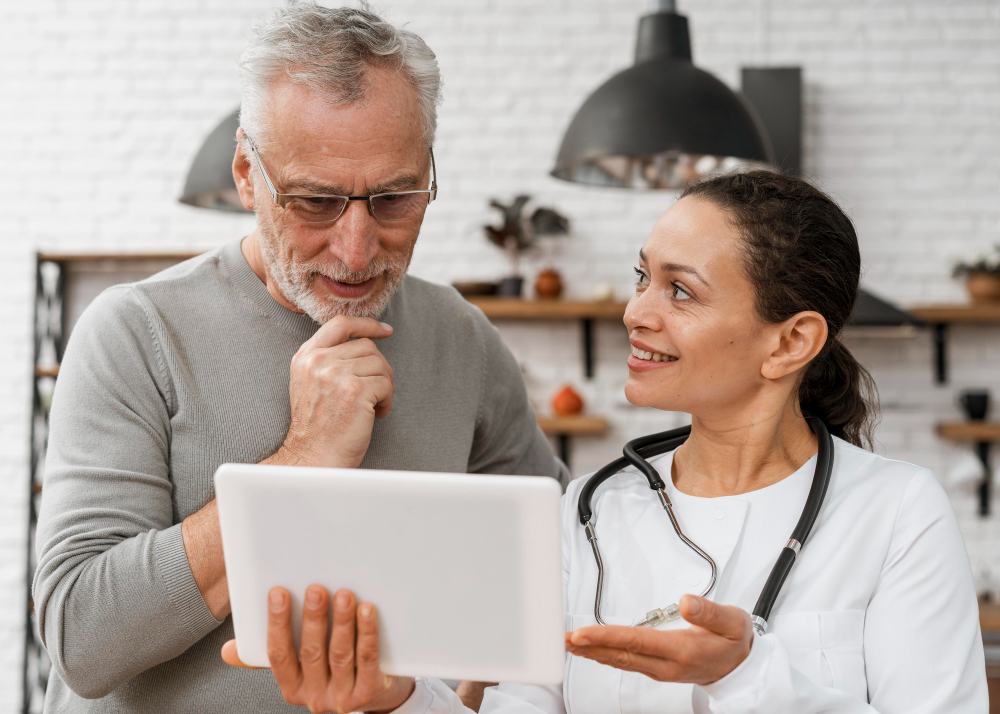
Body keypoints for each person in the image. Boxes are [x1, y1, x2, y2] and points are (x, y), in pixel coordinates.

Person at [232, 171, 989, 713]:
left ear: (790, 342)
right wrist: (394, 697)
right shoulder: (591, 511)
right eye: (641, 279)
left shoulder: (894, 514)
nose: (636, 313)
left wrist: (748, 673)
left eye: (679, 291)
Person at [32, 4, 566, 713]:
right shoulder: (135, 332)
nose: (357, 248)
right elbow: (81, 638)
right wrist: (303, 461)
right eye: (314, 202)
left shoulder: (461, 337)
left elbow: (557, 570)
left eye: (395, 197)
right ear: (247, 175)